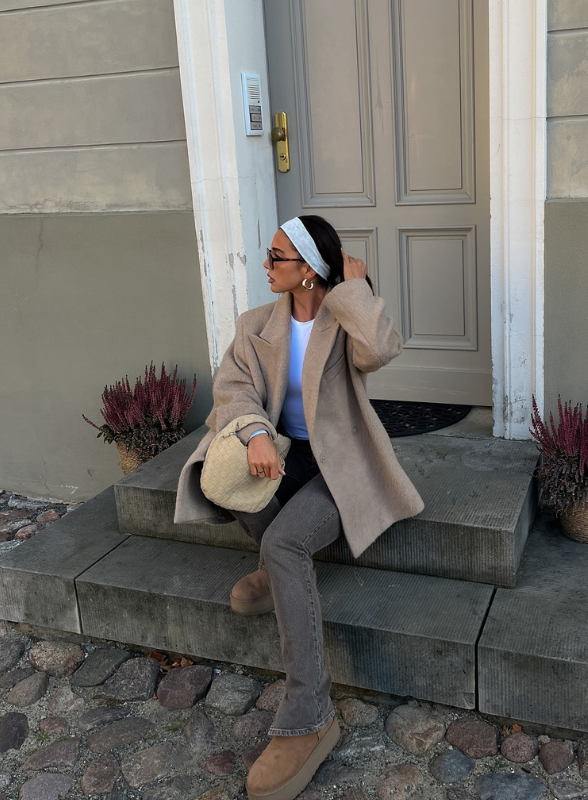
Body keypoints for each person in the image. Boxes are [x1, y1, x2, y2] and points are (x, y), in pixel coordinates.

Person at [174, 215, 424, 800]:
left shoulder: (343, 321)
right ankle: (276, 569)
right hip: (280, 457)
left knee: (286, 542)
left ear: (308, 269)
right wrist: (256, 432)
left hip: (339, 467)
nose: (265, 264)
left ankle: (310, 714)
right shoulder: (256, 324)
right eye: (268, 255)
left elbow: (382, 349)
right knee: (216, 475)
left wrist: (354, 291)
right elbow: (233, 389)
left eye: (277, 257)